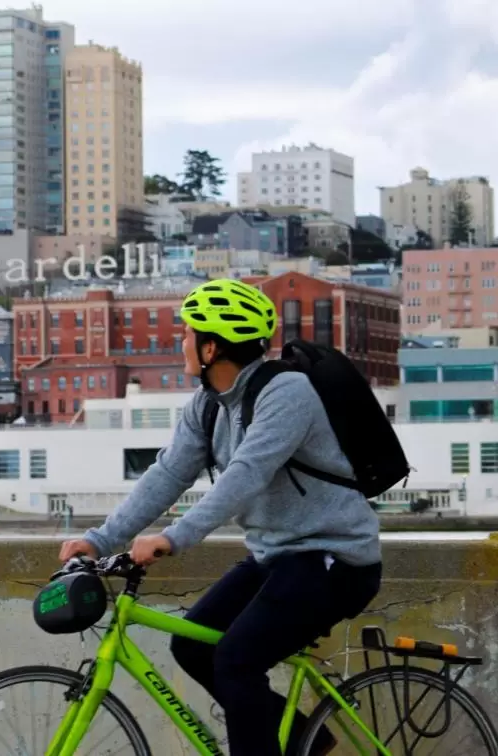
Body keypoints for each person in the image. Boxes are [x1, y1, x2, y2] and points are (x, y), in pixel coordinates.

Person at [59, 278, 382, 756]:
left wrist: (172, 538)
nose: (181, 342)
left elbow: (246, 475)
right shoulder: (208, 405)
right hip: (277, 557)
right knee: (192, 646)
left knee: (235, 660)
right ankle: (300, 741)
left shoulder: (287, 393)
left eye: (188, 334)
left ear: (211, 347)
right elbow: (168, 473)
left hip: (335, 561)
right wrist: (101, 539)